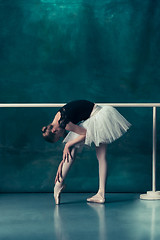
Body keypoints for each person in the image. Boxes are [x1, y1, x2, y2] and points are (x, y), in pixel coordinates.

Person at [42, 100, 131, 204]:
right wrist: (61, 164)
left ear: (54, 131)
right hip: (96, 115)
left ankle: (59, 184)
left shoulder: (64, 124)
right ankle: (99, 193)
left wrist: (68, 144)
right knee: (97, 156)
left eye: (59, 137)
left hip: (98, 117)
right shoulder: (57, 119)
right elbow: (69, 140)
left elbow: (87, 133)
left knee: (97, 155)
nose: (62, 136)